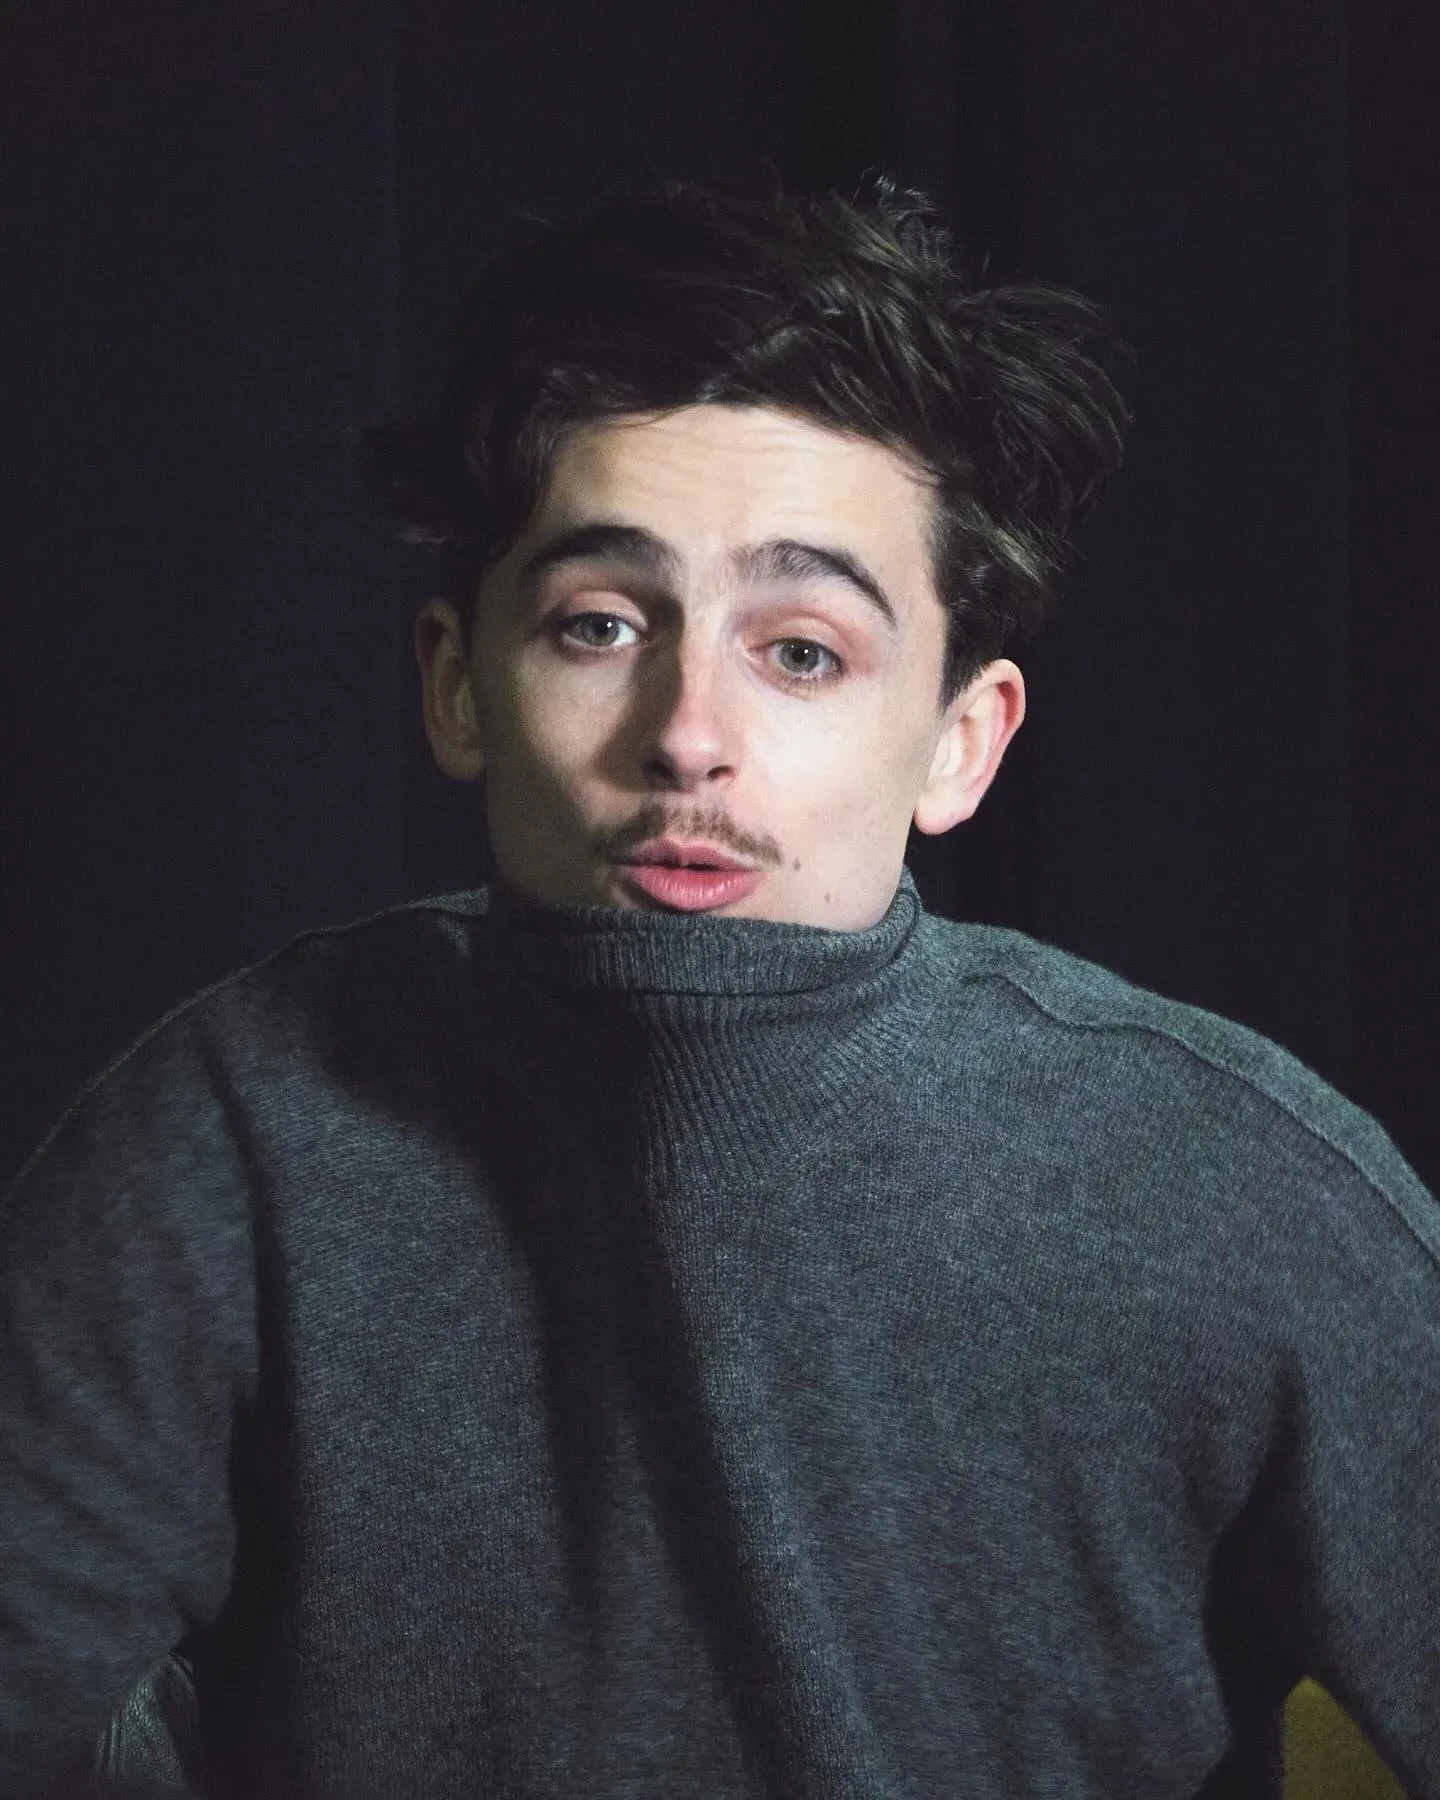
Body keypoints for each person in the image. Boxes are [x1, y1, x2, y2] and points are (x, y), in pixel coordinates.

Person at [2, 167, 1435, 1800]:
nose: (688, 735)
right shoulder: (232, 1129)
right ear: (458, 685)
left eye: (801, 651)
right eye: (601, 625)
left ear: (961, 742)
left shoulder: (1232, 1182)